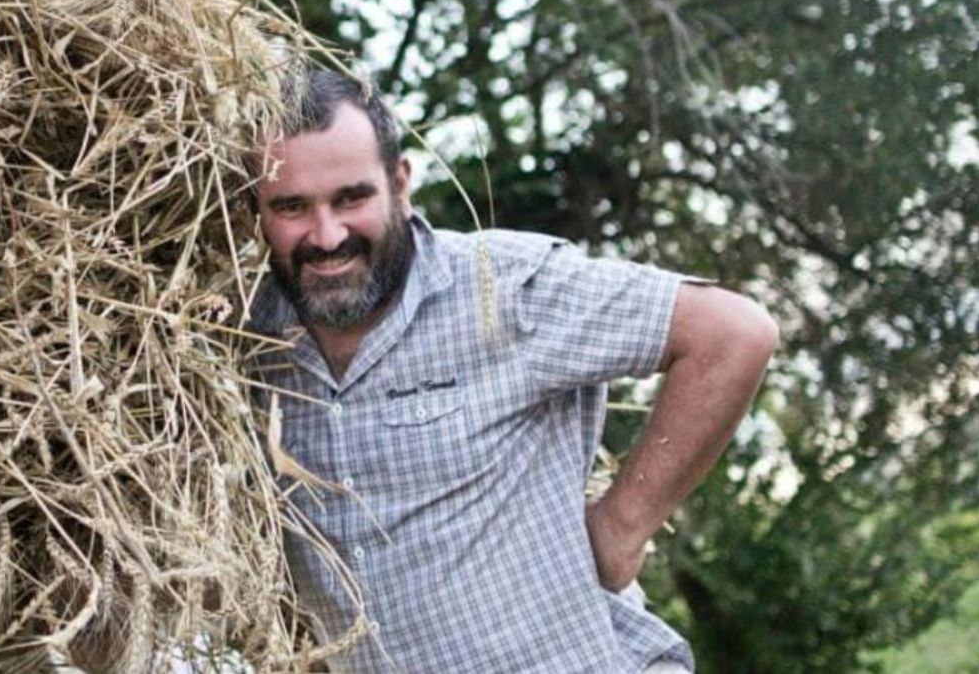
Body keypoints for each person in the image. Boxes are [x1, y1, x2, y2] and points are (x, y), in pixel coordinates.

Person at [248, 70, 778, 673]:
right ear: (256, 212)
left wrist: (623, 526)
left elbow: (732, 334)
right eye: (291, 207)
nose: (327, 235)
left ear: (400, 183)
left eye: (352, 197)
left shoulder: (502, 288)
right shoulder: (246, 338)